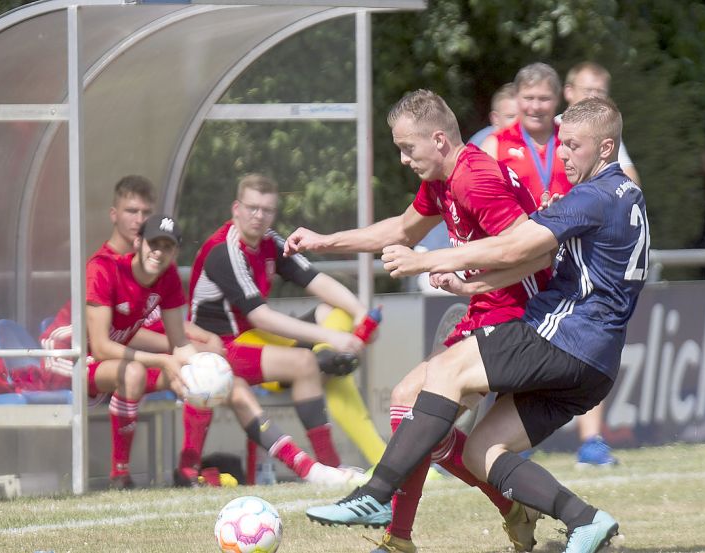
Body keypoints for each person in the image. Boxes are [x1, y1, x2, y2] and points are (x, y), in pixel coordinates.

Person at [307, 97, 647, 553]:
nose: (562, 154)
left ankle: (376, 496)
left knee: (437, 378)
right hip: (596, 361)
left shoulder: (590, 196)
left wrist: (427, 259)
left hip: (561, 334)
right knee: (482, 450)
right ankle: (585, 520)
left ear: (605, 148)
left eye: (572, 145)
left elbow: (516, 249)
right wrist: (471, 285)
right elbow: (549, 257)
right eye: (562, 144)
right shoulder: (626, 196)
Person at [286, 89, 548, 553]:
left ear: (440, 139)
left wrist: (435, 265)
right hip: (487, 309)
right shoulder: (445, 179)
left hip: (519, 317)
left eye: (408, 148)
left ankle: (399, 532)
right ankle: (496, 513)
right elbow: (402, 230)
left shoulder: (473, 179)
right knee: (424, 420)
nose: (404, 159)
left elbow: (529, 246)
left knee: (414, 404)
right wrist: (323, 242)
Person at [42, 213, 361, 488]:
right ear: (138, 242)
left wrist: (207, 367)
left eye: (167, 246)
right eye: (154, 243)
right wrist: (168, 360)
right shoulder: (105, 269)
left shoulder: (164, 278)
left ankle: (309, 468)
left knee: (221, 381)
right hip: (66, 357)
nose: (159, 252)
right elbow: (101, 345)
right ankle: (120, 475)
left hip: (118, 361)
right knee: (138, 371)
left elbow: (180, 341)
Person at [189, 173, 384, 471]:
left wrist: (360, 314)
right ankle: (331, 467)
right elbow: (260, 317)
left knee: (339, 314)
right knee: (308, 362)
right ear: (236, 209)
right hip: (219, 349)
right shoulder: (225, 249)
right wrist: (332, 339)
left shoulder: (270, 240)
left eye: (267, 210)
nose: (259, 216)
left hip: (255, 339)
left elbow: (314, 279)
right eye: (252, 208)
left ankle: (373, 458)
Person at [562, 60, 644, 466]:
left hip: (579, 256)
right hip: (537, 247)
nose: (594, 97)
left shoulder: (604, 141)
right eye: (587, 90)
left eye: (601, 92)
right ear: (568, 91)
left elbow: (630, 188)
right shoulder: (531, 132)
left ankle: (590, 441)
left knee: (592, 338)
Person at [482, 62, 573, 206]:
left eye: (544, 99)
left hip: (570, 226)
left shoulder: (571, 139)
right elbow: (484, 201)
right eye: (528, 98)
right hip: (518, 227)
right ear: (517, 98)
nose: (535, 107)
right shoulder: (495, 144)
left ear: (557, 99)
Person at [467, 83, 518, 148]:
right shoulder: (480, 144)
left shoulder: (530, 139)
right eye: (511, 117)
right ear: (495, 118)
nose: (518, 121)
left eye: (523, 116)